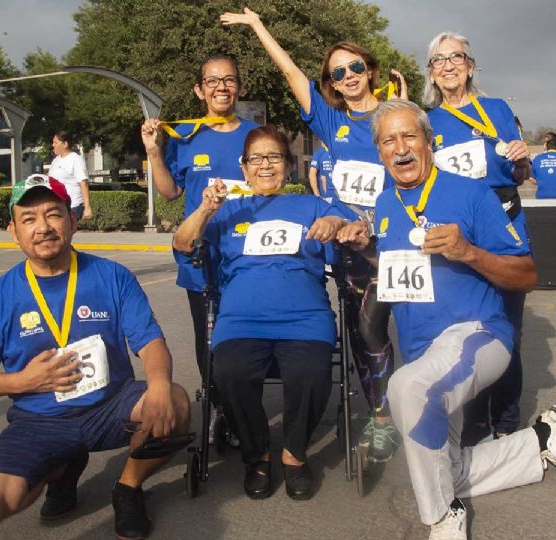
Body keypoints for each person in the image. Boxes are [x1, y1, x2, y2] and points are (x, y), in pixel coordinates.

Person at [338, 100, 556, 539]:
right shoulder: (385, 201)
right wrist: (365, 248)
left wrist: (467, 251)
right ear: (378, 152)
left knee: (404, 389)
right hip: (426, 351)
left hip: (478, 334)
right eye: (388, 140)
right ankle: (541, 440)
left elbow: (526, 275)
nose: (400, 149)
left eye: (409, 136)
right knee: (437, 465)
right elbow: (400, 267)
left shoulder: (471, 194)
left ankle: (443, 516)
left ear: (428, 141)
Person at [0, 175, 190, 540]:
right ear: (14, 232)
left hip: (110, 405)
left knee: (176, 401)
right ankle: (59, 468)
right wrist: (22, 382)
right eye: (28, 219)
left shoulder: (111, 276)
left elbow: (150, 341)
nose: (42, 227)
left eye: (53, 215)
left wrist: (157, 386)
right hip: (39, 421)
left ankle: (128, 488)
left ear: (72, 221)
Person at [222, 6, 408, 463]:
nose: (347, 75)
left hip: (392, 241)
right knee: (365, 332)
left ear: (371, 71)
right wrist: (258, 26)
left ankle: (423, 404)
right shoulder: (331, 122)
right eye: (337, 71)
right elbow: (289, 73)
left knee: (413, 328)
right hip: (350, 248)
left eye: (355, 67)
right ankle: (383, 418)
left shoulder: (394, 118)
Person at [173, 125, 348, 500]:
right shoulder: (227, 210)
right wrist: (205, 209)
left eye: (274, 157)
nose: (265, 165)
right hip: (241, 321)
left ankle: (295, 454)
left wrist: (336, 223)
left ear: (288, 165)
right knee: (229, 371)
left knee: (312, 372)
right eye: (257, 158)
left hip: (305, 319)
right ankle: (258, 455)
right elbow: (184, 243)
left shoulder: (313, 205)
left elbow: (350, 228)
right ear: (244, 166)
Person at [141, 54, 258, 443]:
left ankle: (246, 409)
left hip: (249, 258)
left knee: (246, 336)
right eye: (212, 81)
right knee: (207, 337)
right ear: (199, 89)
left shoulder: (257, 135)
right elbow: (170, 191)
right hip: (201, 259)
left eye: (228, 80)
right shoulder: (185, 136)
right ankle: (220, 409)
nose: (221, 87)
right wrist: (154, 152)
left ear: (239, 86)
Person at [422, 31, 531, 440]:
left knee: (506, 333)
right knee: (463, 333)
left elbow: (520, 173)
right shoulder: (427, 122)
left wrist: (523, 161)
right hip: (456, 237)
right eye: (439, 60)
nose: (448, 65)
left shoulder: (498, 109)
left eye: (456, 57)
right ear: (431, 74)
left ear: (470, 66)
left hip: (501, 228)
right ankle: (474, 420)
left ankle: (505, 423)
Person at [48, 131, 92, 221]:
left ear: (65, 144)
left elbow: (83, 183)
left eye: (55, 142)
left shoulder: (75, 159)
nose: (53, 145)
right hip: (58, 205)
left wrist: (87, 207)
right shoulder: (56, 160)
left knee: (62, 232)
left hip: (73, 206)